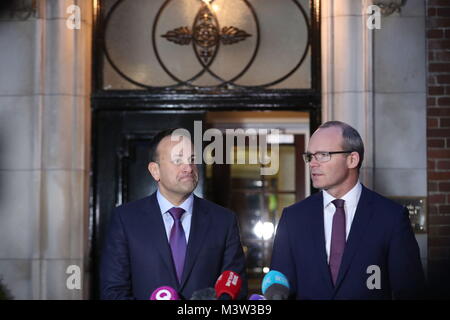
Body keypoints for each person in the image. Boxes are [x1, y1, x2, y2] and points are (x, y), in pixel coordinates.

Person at [271, 121, 426, 299]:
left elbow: (409, 291)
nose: (313, 163)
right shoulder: (293, 218)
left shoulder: (391, 217)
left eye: (322, 155)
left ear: (352, 159)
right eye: (310, 156)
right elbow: (280, 287)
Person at [100, 128, 247, 300]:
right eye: (178, 160)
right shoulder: (125, 219)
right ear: (155, 171)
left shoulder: (223, 220)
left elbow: (237, 288)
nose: (188, 167)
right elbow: (114, 292)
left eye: (192, 159)